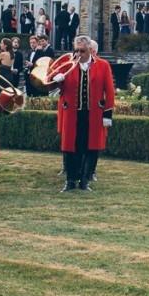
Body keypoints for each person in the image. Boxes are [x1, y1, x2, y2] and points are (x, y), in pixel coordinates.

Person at [51, 37, 115, 192]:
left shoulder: (102, 65)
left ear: (90, 50)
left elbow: (110, 91)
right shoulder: (67, 65)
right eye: (77, 50)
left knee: (90, 148)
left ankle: (85, 181)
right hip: (72, 114)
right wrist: (57, 80)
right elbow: (49, 84)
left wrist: (107, 115)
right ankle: (70, 181)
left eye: (82, 51)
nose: (79, 54)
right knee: (71, 148)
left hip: (93, 115)